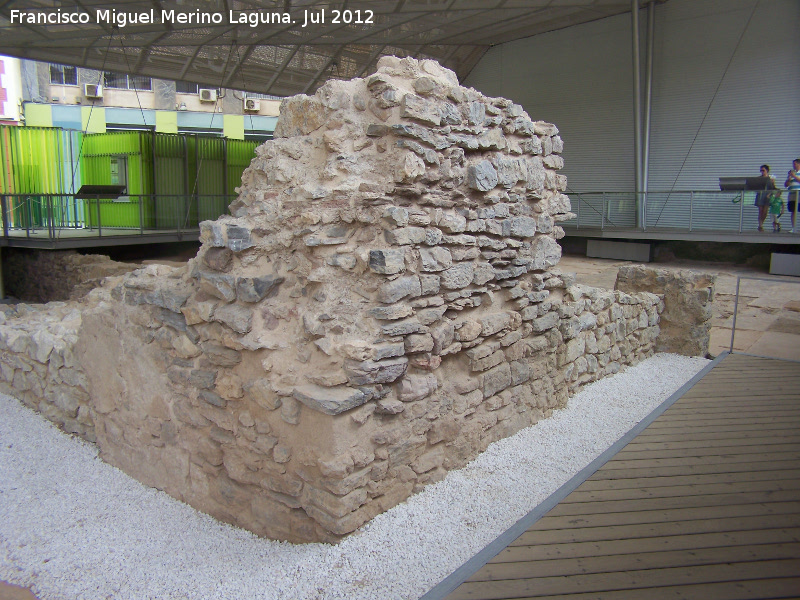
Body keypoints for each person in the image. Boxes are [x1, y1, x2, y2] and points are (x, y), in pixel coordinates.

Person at [754, 164, 776, 231]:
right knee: (760, 210)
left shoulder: (770, 178)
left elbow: (773, 188)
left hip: (767, 195)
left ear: (767, 170)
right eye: (761, 170)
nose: (762, 172)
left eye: (763, 170)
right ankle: (760, 225)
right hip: (760, 194)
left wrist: (773, 183)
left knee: (765, 211)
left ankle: (761, 224)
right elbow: (755, 187)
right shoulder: (759, 178)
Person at [785, 159, 800, 233]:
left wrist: (794, 176)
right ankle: (793, 228)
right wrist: (788, 179)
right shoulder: (791, 173)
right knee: (793, 210)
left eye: (795, 164)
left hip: (799, 193)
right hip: (792, 194)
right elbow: (786, 185)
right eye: (793, 164)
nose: (794, 165)